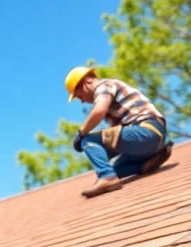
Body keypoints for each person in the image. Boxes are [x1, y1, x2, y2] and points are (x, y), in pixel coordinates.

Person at [64, 66, 173, 198]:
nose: (81, 101)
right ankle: (148, 161)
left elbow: (99, 111)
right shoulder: (109, 91)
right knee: (114, 169)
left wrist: (81, 134)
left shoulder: (104, 86)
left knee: (89, 141)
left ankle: (107, 178)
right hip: (152, 139)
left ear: (87, 81)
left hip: (146, 130)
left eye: (79, 95)